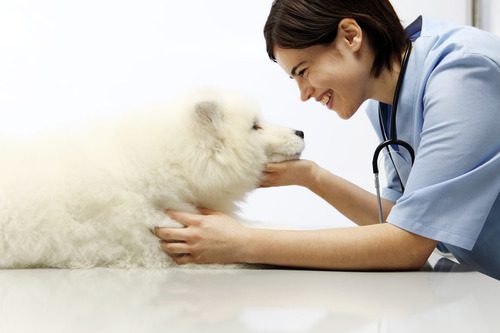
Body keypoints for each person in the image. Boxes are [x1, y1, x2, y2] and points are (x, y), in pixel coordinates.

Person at [154, 0, 500, 280]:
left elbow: (407, 246)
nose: (304, 94)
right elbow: (396, 221)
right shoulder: (386, 105)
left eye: (303, 72)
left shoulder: (465, 74)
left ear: (350, 35)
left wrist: (243, 243)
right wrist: (310, 177)